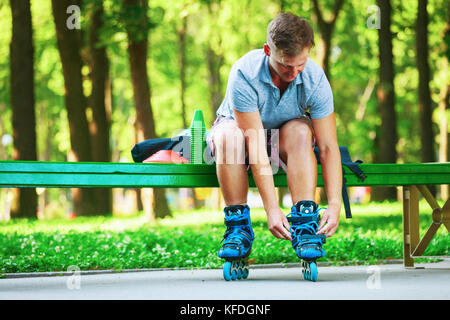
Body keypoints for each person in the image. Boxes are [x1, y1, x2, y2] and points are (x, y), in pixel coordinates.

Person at [206, 12, 342, 280]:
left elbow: (327, 147)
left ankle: (304, 222)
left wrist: (335, 203)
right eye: (285, 66)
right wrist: (271, 208)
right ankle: (238, 227)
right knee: (229, 136)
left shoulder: (315, 78)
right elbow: (255, 147)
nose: (293, 74)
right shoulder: (244, 73)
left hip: (284, 137)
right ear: (268, 50)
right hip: (240, 136)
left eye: (300, 65)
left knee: (303, 132)